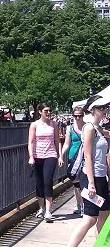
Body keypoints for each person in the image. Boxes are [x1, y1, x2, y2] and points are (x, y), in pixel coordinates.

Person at [67, 95, 110, 247]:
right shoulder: (89, 128)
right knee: (90, 218)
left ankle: (100, 244)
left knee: (105, 213)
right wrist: (91, 183)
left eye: (106, 107)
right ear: (92, 110)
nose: (105, 110)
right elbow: (88, 156)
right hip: (91, 178)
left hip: (101, 177)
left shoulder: (99, 129)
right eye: (102, 108)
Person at [28, 103, 63, 222]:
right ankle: (41, 208)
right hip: (37, 156)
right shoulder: (34, 125)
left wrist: (60, 156)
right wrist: (31, 156)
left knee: (48, 182)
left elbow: (57, 140)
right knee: (39, 183)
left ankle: (48, 211)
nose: (48, 113)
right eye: (46, 111)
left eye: (49, 111)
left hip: (50, 155)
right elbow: (31, 142)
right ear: (40, 112)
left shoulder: (54, 124)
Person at [62, 106, 85, 215]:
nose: (77, 118)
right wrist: (61, 155)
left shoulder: (87, 127)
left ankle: (85, 205)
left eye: (79, 116)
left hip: (85, 156)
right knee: (76, 183)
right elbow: (67, 143)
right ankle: (78, 205)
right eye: (75, 116)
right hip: (74, 156)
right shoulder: (69, 128)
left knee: (84, 182)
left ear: (83, 115)